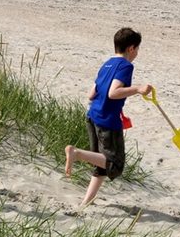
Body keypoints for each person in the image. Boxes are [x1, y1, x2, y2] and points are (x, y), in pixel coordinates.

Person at [65, 27, 152, 206]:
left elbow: (91, 94)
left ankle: (86, 202)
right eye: (137, 49)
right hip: (107, 121)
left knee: (102, 164)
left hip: (93, 116)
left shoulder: (106, 64)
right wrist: (137, 89)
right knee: (115, 164)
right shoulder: (126, 66)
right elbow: (113, 93)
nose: (137, 53)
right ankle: (76, 153)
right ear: (131, 48)